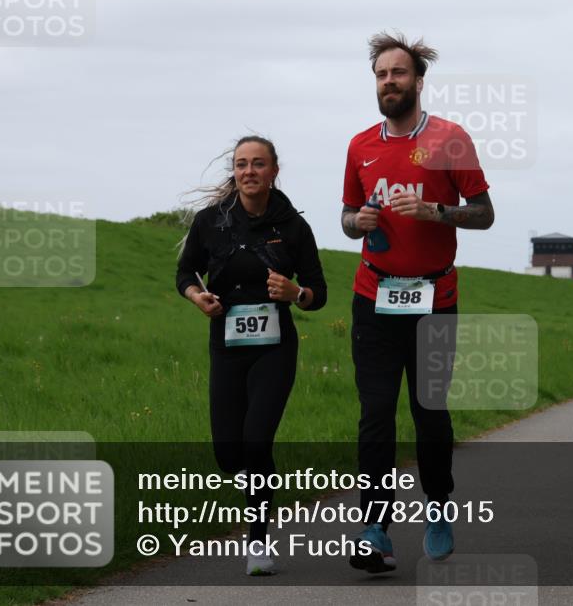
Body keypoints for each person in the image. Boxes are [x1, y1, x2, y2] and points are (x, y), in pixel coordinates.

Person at [340, 32, 494, 572]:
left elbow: (484, 213)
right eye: (381, 74)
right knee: (376, 413)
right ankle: (374, 528)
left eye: (398, 73)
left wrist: (435, 211)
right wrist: (355, 222)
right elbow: (346, 216)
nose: (389, 82)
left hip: (434, 298)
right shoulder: (361, 145)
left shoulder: (450, 139)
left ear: (418, 81)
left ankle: (437, 507)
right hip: (374, 295)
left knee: (429, 413)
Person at [176, 135, 328, 576]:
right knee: (229, 453)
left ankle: (258, 541)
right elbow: (186, 271)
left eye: (258, 164)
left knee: (257, 440)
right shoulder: (211, 222)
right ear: (234, 172)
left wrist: (296, 292)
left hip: (274, 348)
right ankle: (254, 489)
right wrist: (196, 295)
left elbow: (318, 292)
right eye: (241, 164)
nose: (249, 171)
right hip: (226, 343)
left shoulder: (293, 227)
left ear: (274, 171)